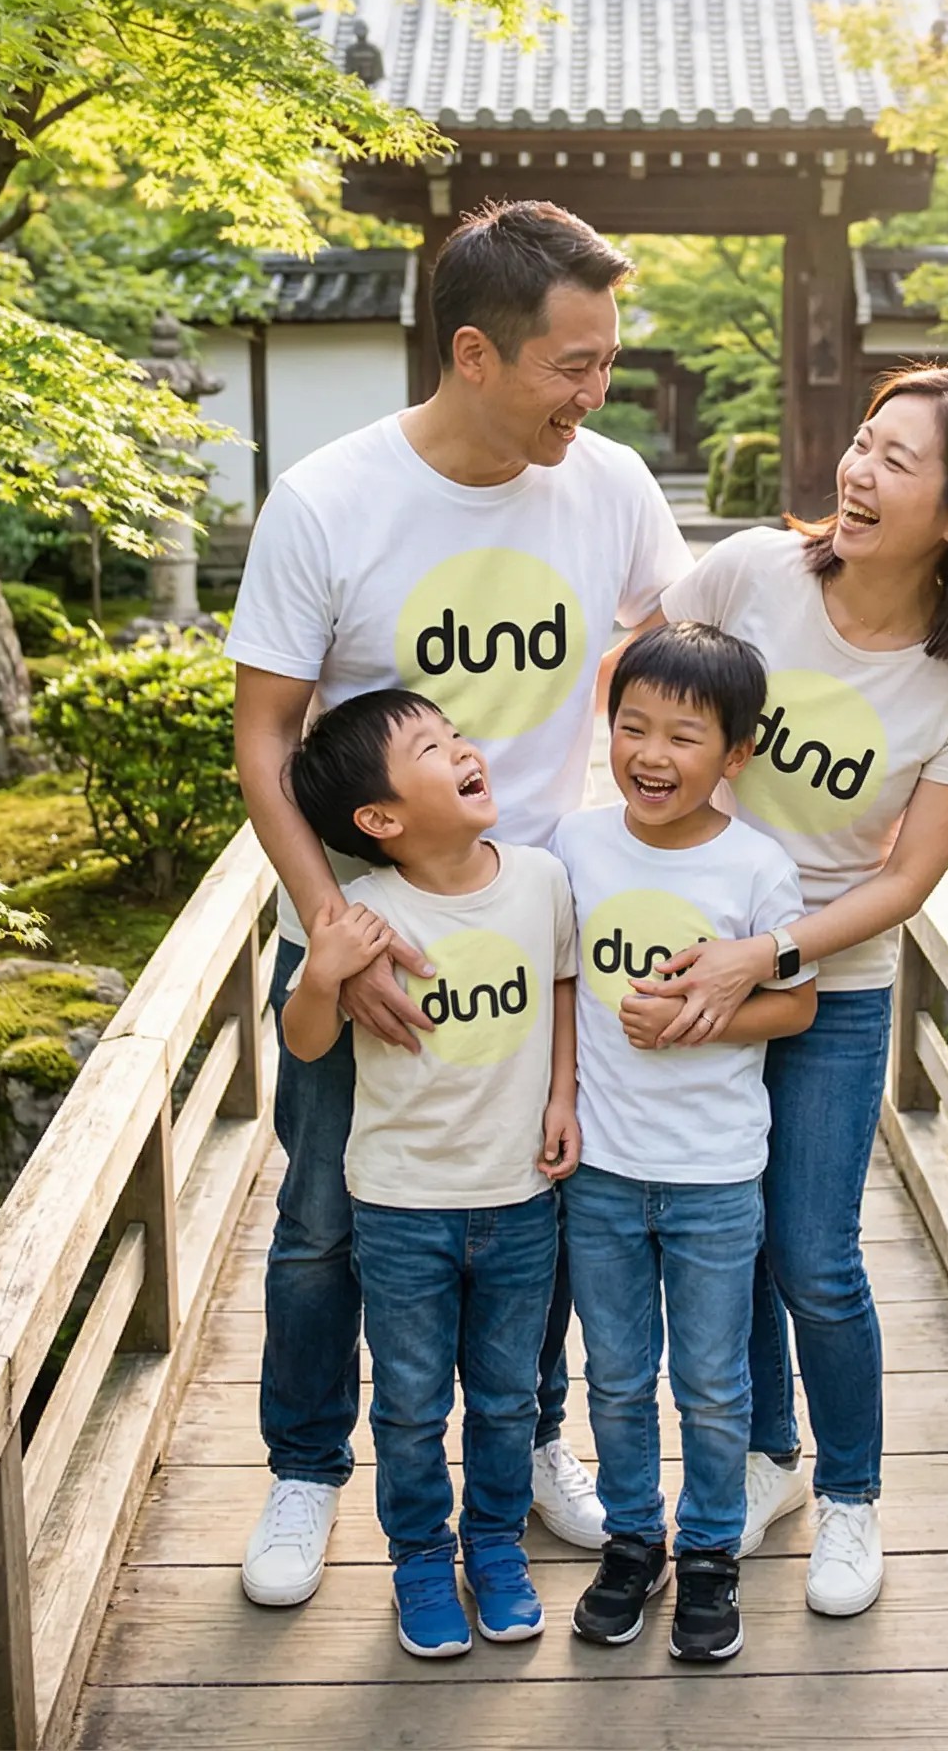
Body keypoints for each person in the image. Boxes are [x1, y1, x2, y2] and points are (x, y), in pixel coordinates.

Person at [225, 200, 693, 1608]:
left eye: (608, 363)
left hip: (541, 936)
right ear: (477, 355)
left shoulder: (609, 485)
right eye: (573, 366)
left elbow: (679, 649)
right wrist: (329, 929)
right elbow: (264, 736)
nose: (595, 395)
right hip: (367, 932)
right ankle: (308, 1468)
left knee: (537, 1203)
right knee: (323, 1218)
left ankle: (533, 1444)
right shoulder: (329, 500)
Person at [647, 369, 948, 1619]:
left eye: (896, 462)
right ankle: (768, 1458)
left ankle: (854, 1494)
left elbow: (911, 878)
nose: (857, 474)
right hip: (687, 951)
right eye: (860, 445)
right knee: (726, 1236)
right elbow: (642, 698)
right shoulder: (750, 574)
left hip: (827, 981)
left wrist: (765, 955)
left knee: (814, 1255)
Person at [280, 690, 578, 1658]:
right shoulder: (364, 912)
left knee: (506, 1395)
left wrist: (563, 1095)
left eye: (456, 736)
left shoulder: (539, 879)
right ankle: (416, 1555)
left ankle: (493, 1543)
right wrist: (323, 970)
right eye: (430, 747)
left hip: (519, 1198)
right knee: (409, 1402)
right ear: (380, 819)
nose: (464, 748)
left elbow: (564, 986)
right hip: (402, 1208)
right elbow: (305, 1037)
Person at [551, 621, 818, 1664]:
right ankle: (632, 1541)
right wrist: (559, 1098)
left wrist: (704, 1015)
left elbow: (792, 1009)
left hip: (713, 1174)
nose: (651, 754)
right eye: (631, 727)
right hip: (604, 1172)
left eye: (684, 735)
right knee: (613, 1375)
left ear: (736, 752)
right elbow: (562, 978)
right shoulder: (575, 843)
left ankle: (709, 1549)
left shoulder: (756, 864)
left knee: (712, 1381)